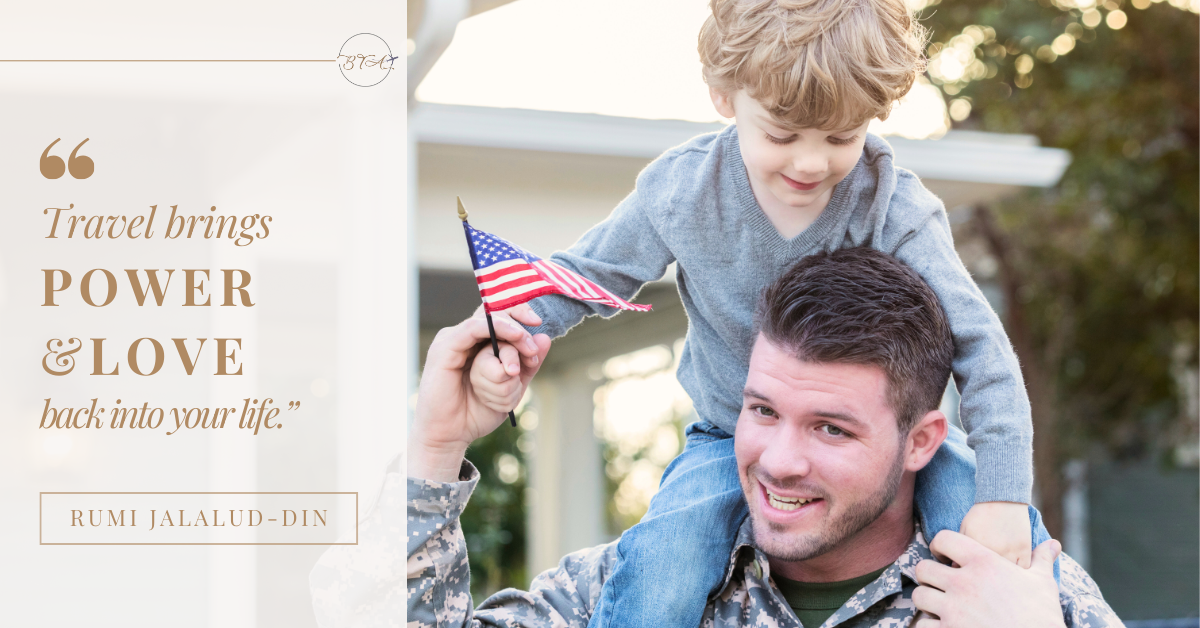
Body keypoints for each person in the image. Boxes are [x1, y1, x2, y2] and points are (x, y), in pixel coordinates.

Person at [470, 1, 1051, 627]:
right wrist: (510, 330)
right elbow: (589, 274)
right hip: (727, 436)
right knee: (660, 575)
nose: (809, 163)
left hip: (888, 450)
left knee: (992, 550)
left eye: (840, 137)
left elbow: (982, 347)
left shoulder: (894, 205)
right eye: (781, 134)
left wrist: (1002, 495)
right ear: (724, 95)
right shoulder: (684, 191)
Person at [308, 248, 1122, 628]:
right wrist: (434, 448)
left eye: (831, 427)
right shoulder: (628, 590)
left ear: (922, 441)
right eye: (761, 410)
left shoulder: (1021, 601)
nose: (778, 458)